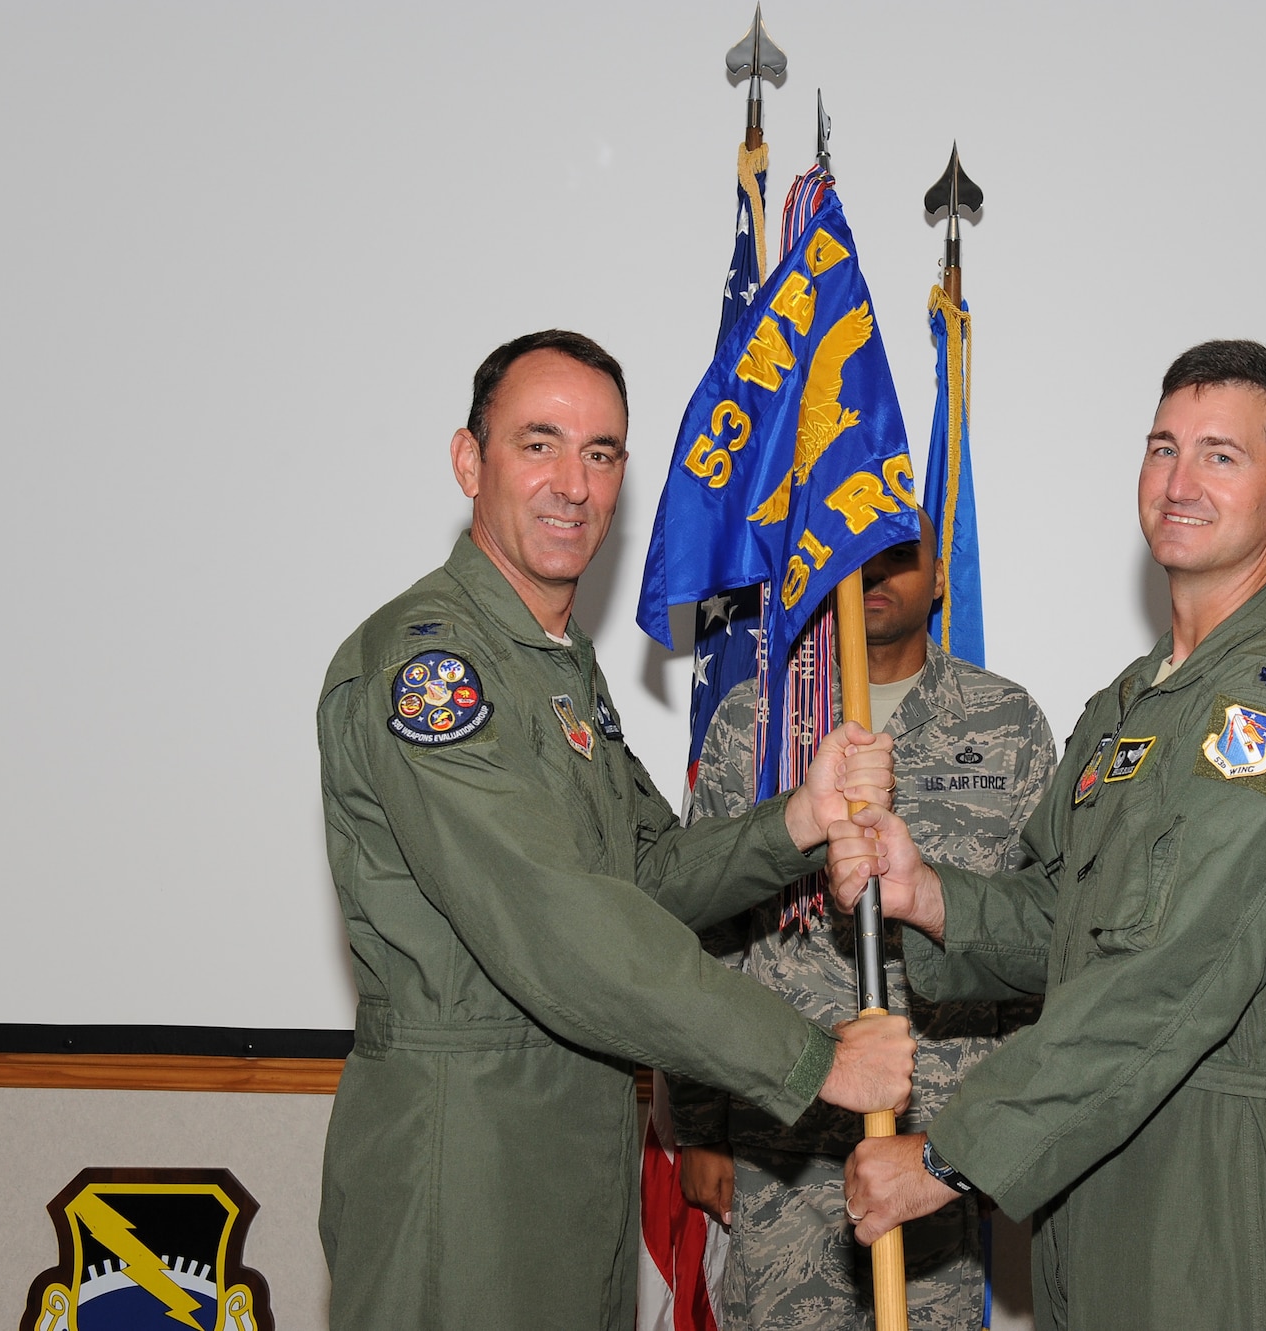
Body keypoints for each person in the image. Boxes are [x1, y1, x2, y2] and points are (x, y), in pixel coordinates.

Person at [315, 330, 916, 1331]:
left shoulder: (555, 665)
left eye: (599, 454)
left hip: (571, 1133)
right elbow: (562, 920)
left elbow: (640, 869)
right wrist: (809, 1059)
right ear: (470, 461)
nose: (571, 483)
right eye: (537, 444)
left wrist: (795, 822)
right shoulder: (429, 669)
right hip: (464, 1148)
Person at [832, 340, 1266, 1330]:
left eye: (1221, 455)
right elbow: (1066, 920)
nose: (1178, 481)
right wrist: (930, 894)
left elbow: (1165, 978)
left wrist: (949, 1152)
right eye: (1162, 447)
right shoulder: (1131, 703)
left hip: (1209, 1187)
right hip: (1093, 1172)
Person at [669, 509, 1058, 1329]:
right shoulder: (757, 720)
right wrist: (699, 1127)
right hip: (778, 1147)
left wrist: (995, 1144)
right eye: (855, 555)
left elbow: (1036, 941)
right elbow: (704, 934)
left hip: (932, 1150)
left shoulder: (1008, 725)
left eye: (898, 554)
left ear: (941, 575)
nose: (873, 576)